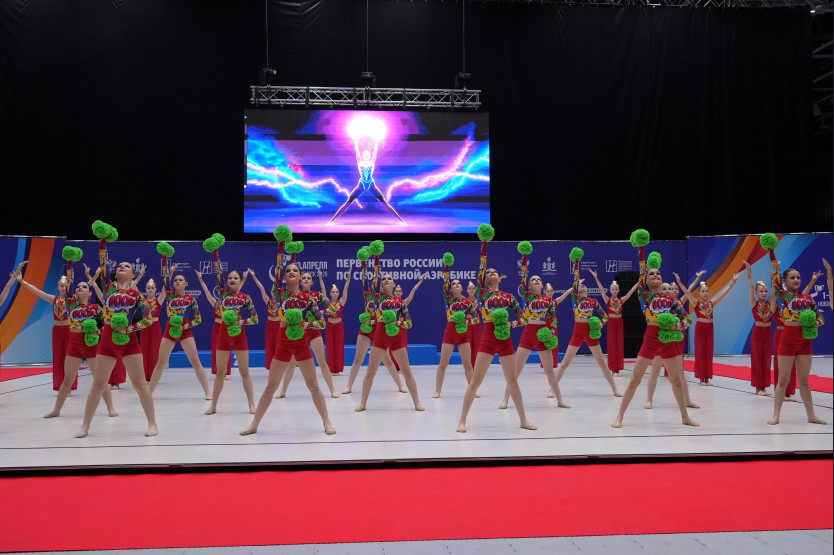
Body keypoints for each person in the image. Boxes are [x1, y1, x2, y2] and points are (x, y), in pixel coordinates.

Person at [240, 254, 335, 436]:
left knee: (313, 385)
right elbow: (277, 270)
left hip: (301, 344)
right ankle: (254, 425)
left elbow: (321, 322)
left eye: (295, 270)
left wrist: (303, 324)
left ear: (300, 276)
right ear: (283, 277)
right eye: (288, 270)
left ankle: (327, 422)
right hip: (283, 344)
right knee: (271, 386)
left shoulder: (308, 299)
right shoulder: (280, 294)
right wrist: (281, 247)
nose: (291, 272)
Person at [77, 224, 157, 438]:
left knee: (140, 384)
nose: (121, 267)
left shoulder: (137, 296)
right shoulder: (108, 287)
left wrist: (131, 328)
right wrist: (103, 241)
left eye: (126, 266)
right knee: (98, 384)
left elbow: (148, 319)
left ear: (133, 274)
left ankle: (152, 424)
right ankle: (85, 426)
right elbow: (103, 262)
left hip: (129, 341)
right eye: (119, 265)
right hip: (107, 339)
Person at [612, 233, 698, 428]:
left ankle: (685, 417)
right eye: (651, 274)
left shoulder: (671, 300)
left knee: (676, 380)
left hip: (668, 340)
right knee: (635, 379)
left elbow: (687, 320)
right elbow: (642, 269)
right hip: (650, 338)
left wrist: (675, 326)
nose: (655, 275)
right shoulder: (644, 294)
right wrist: (641, 249)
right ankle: (619, 417)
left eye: (658, 273)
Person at [457, 225, 535, 433]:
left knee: (513, 380)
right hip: (488, 339)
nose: (491, 273)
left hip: (505, 339)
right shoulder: (483, 293)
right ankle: (462, 421)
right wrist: (484, 245)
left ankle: (523, 420)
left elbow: (525, 317)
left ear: (499, 278)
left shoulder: (508, 297)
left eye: (495, 272)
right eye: (489, 272)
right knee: (475, 381)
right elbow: (481, 267)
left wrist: (510, 324)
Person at [355, 242, 424, 412]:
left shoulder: (400, 303)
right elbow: (371, 278)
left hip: (397, 339)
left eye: (389, 279)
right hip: (380, 337)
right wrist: (373, 259)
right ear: (380, 284)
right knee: (371, 371)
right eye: (384, 279)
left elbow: (409, 323)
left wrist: (396, 323)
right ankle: (363, 403)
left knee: (407, 371)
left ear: (394, 284)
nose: (386, 280)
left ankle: (417, 402)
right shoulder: (378, 298)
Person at [42, 268, 118, 419]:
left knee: (100, 379)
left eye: (84, 286)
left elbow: (105, 326)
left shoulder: (96, 309)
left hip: (92, 346)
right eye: (78, 287)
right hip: (74, 345)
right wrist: (70, 263)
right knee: (67, 379)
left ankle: (111, 408)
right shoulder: (70, 305)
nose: (80, 288)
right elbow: (69, 280)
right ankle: (56, 410)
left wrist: (96, 332)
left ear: (90, 293)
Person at [499, 244, 568, 409]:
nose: (536, 281)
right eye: (533, 280)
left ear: (542, 285)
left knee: (550, 372)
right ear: (529, 286)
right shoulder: (527, 296)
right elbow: (523, 277)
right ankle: (505, 400)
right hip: (528, 334)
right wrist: (524, 258)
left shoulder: (549, 301)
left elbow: (554, 320)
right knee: (516, 371)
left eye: (539, 280)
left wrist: (551, 332)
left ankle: (560, 400)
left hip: (542, 334)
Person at [766, 242, 826, 425]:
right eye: (792, 278)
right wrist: (771, 251)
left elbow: (821, 318)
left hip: (804, 341)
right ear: (785, 282)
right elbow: (776, 272)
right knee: (783, 380)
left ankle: (811, 415)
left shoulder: (807, 299)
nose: (796, 280)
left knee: (804, 380)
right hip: (787, 340)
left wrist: (815, 322)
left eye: (798, 277)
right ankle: (776, 415)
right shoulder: (785, 296)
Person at [553, 254, 621, 399]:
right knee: (564, 363)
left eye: (584, 285)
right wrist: (577, 262)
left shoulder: (593, 301)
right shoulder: (575, 299)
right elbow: (575, 280)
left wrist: (598, 327)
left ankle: (615, 389)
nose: (582, 286)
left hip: (590, 332)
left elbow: (605, 316)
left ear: (588, 290)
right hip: (577, 331)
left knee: (602, 364)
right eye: (580, 286)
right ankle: (552, 390)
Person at [342, 250, 407, 395]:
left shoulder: (384, 298)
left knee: (388, 361)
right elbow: (364, 278)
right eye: (371, 283)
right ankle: (349, 386)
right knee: (358, 359)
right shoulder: (368, 295)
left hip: (379, 331)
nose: (373, 285)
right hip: (366, 330)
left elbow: (378, 275)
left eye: (376, 283)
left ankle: (400, 385)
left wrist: (377, 259)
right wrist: (363, 262)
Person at [197, 268, 258, 415]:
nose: (232, 280)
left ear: (240, 281)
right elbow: (219, 271)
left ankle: (251, 404)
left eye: (235, 278)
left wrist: (239, 322)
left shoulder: (245, 298)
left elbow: (255, 319)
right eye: (230, 278)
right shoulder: (222, 295)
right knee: (220, 372)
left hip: (239, 335)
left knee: (244, 371)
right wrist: (215, 254)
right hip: (223, 334)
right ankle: (213, 406)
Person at [148, 269, 211, 399]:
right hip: (170, 329)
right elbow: (166, 281)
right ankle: (148, 393)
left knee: (195, 361)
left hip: (184, 330)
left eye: (180, 280)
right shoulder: (170, 294)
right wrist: (169, 270)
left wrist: (184, 327)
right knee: (161, 362)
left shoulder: (191, 299)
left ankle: (208, 392)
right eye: (175, 280)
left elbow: (198, 319)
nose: (177, 282)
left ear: (186, 284)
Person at [275, 268, 338, 398]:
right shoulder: (293, 295)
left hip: (313, 331)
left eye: (308, 278)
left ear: (312, 282)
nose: (306, 280)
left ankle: (332, 390)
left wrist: (319, 313)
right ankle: (283, 391)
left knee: (322, 361)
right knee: (291, 364)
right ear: (299, 280)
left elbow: (333, 308)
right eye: (303, 278)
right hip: (298, 333)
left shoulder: (317, 295)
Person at [675, 270, 743, 386]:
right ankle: (702, 378)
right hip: (700, 330)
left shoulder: (712, 303)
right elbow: (687, 292)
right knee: (700, 353)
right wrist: (679, 282)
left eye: (707, 291)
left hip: (710, 329)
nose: (705, 293)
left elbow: (724, 292)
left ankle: (707, 378)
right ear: (699, 293)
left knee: (708, 354)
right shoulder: (696, 303)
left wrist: (733, 281)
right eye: (703, 291)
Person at [15, 266, 73, 392]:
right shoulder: (53, 299)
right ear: (58, 287)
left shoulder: (72, 301)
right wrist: (21, 281)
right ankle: (60, 386)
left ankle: (68, 387)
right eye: (61, 286)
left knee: (69, 359)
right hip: (57, 331)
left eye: (65, 285)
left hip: (68, 332)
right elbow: (36, 291)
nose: (63, 288)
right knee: (58, 359)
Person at [645, 278, 700, 410]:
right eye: (664, 289)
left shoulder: (676, 304)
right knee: (655, 370)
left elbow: (687, 320)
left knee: (680, 372)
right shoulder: (654, 304)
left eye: (669, 289)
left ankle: (687, 400)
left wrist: (677, 326)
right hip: (659, 340)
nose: (668, 291)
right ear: (658, 291)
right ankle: (649, 399)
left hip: (674, 341)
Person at [433, 255, 477, 398]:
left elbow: (476, 319)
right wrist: (447, 267)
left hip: (463, 333)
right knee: (443, 364)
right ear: (450, 289)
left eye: (459, 283)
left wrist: (465, 322)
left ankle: (473, 390)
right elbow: (446, 281)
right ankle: (438, 391)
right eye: (454, 284)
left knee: (468, 365)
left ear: (462, 287)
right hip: (450, 332)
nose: (456, 284)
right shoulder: (448, 299)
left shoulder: (468, 302)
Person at [589, 270, 640, 376]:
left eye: (616, 289)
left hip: (620, 323)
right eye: (613, 289)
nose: (614, 291)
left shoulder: (621, 300)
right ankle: (613, 369)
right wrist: (596, 278)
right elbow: (601, 290)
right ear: (610, 290)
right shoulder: (607, 300)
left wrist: (639, 282)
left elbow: (631, 291)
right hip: (612, 323)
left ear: (619, 290)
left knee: (619, 346)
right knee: (612, 346)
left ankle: (618, 369)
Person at [743, 261, 774, 396]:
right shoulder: (754, 303)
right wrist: (749, 271)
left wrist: (774, 278)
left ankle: (764, 386)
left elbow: (774, 293)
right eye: (761, 291)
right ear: (756, 293)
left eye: (765, 291)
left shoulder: (770, 303)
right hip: (757, 334)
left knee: (766, 360)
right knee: (757, 360)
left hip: (767, 333)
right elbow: (751, 286)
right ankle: (758, 388)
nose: (764, 293)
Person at [387, 276, 427, 373]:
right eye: (396, 291)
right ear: (394, 292)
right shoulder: (388, 302)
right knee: (392, 347)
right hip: (392, 327)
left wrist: (420, 281)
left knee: (402, 347)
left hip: (402, 328)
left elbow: (413, 291)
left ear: (402, 293)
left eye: (400, 291)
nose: (398, 292)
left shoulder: (404, 302)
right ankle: (394, 366)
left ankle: (401, 366)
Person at [324, 271, 351, 374]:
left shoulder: (342, 301)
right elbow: (323, 290)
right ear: (330, 293)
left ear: (338, 293)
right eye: (333, 292)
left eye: (336, 292)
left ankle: (338, 369)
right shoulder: (327, 302)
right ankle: (331, 369)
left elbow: (346, 288)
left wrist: (348, 276)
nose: (335, 293)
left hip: (339, 326)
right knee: (330, 347)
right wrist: (321, 278)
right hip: (330, 326)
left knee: (339, 347)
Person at [138, 277, 163, 383]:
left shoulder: (159, 300)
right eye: (148, 288)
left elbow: (165, 288)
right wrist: (140, 275)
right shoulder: (142, 301)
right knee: (144, 352)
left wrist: (168, 274)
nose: (150, 289)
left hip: (155, 327)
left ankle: (153, 377)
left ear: (156, 289)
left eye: (152, 288)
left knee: (154, 351)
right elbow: (133, 287)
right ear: (146, 289)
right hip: (144, 327)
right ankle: (144, 377)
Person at [466, 280, 482, 368]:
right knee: (468, 346)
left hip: (477, 324)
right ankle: (469, 366)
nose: (471, 290)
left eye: (473, 288)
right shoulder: (464, 301)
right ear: (467, 291)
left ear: (475, 290)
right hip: (467, 324)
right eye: (470, 288)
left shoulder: (479, 301)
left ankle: (476, 366)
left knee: (477, 345)